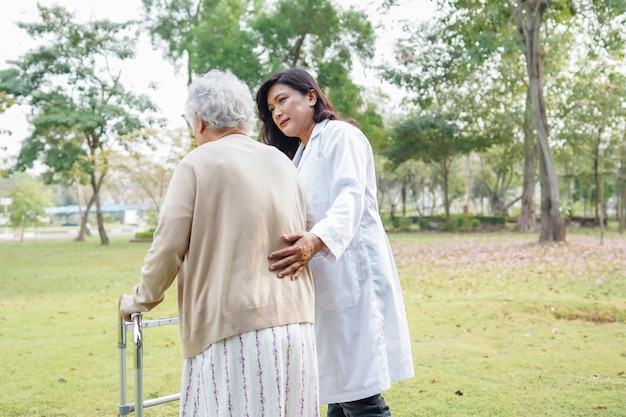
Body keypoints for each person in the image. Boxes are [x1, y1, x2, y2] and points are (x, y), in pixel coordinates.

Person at [120, 69, 319, 417]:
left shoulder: (196, 164)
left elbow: (168, 245)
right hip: (296, 326)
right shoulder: (281, 161)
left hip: (235, 333)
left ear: (199, 122)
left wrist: (139, 300)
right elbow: (308, 230)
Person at [256, 67, 414, 417]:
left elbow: (350, 198)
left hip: (352, 275)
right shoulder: (299, 156)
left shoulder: (340, 136)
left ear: (311, 96)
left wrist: (315, 240)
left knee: (358, 393)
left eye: (282, 100)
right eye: (271, 109)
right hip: (325, 281)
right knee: (340, 389)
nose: (277, 112)